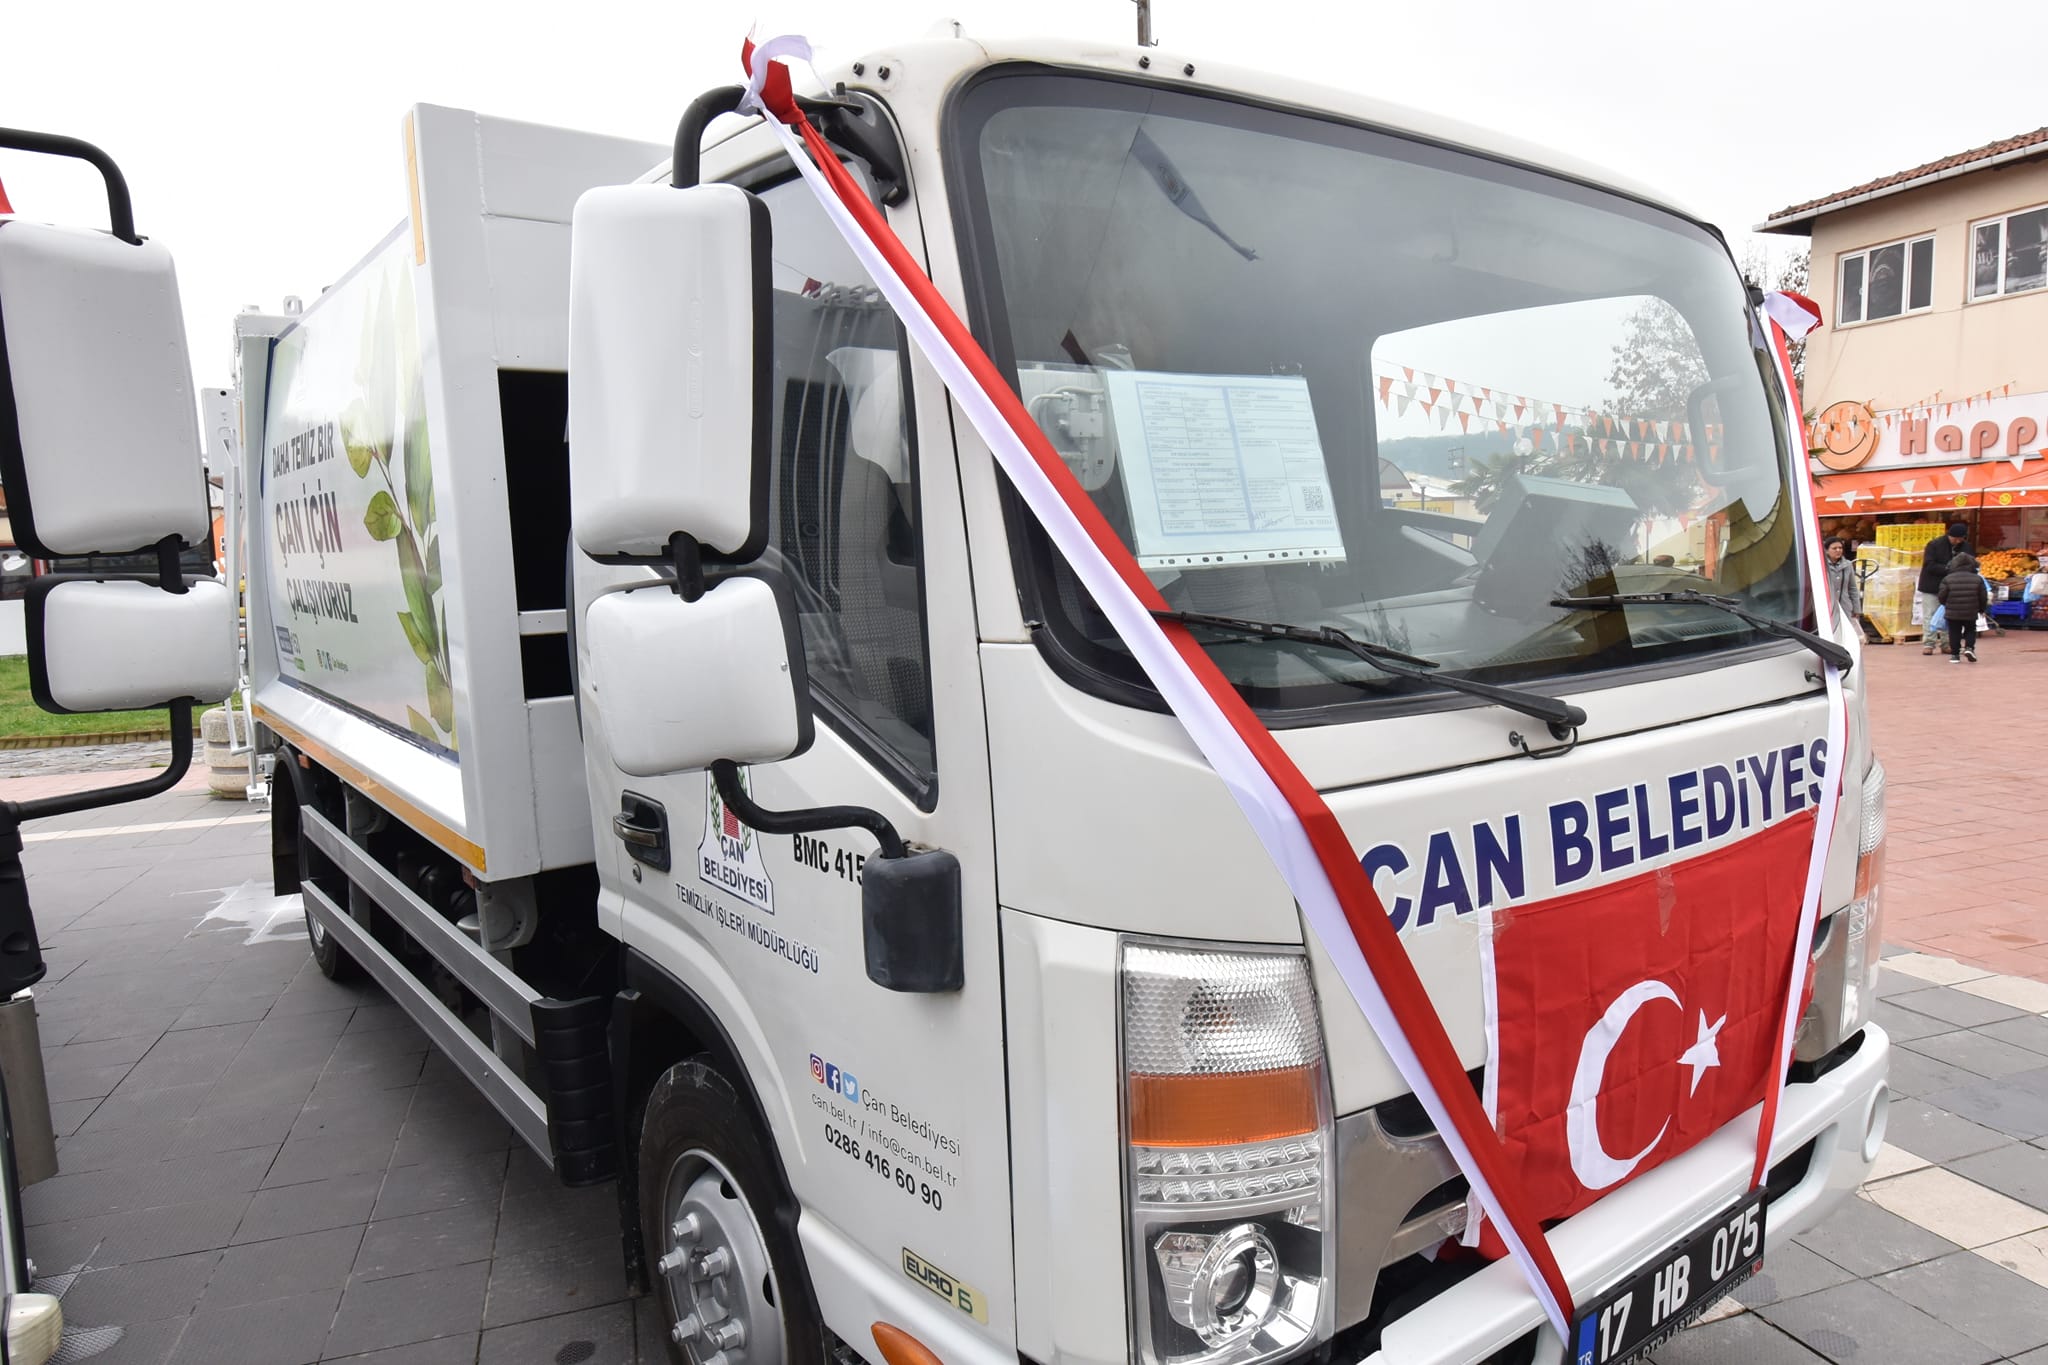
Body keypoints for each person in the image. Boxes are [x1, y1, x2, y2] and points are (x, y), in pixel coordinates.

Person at [1918, 521, 1970, 654]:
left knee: (1949, 616)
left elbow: (1969, 562)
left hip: (1953, 587)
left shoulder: (1965, 547)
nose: (1957, 541)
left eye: (1960, 539)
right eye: (1955, 538)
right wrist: (1948, 569)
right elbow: (1929, 565)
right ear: (1949, 535)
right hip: (1932, 585)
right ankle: (1929, 644)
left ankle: (1947, 644)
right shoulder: (1934, 545)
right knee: (1930, 615)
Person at [1937, 551, 1989, 663]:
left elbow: (1941, 596)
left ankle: (1955, 655)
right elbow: (1983, 596)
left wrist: (1946, 604)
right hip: (1971, 610)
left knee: (1954, 632)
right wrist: (1981, 608)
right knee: (1970, 629)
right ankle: (1969, 648)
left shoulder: (1948, 579)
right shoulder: (1977, 579)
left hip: (1952, 611)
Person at [1824, 538, 1863, 620]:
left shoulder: (1848, 564)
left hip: (1845, 607)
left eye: (1840, 548)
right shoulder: (1822, 565)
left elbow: (1852, 588)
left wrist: (1856, 608)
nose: (1838, 550)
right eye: (1834, 548)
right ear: (1827, 550)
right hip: (1826, 607)